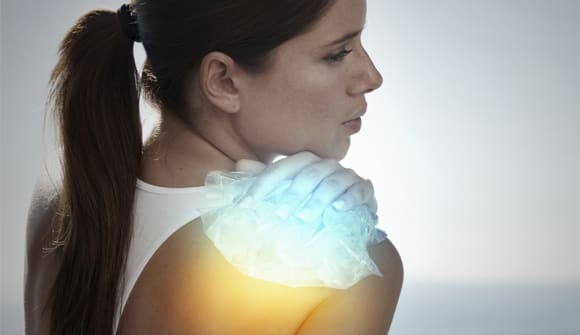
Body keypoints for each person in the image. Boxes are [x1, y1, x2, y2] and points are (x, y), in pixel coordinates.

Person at [24, 0, 404, 334]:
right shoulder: (342, 268)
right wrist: (352, 235)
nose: (371, 77)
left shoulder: (67, 185)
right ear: (224, 80)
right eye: (338, 53)